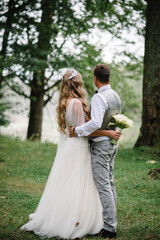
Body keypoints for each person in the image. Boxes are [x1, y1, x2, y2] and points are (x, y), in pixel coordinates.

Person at [20, 68, 121, 239]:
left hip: (74, 146)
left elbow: (80, 128)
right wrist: (108, 133)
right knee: (79, 184)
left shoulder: (67, 101)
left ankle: (76, 217)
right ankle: (76, 219)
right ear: (77, 83)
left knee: (72, 184)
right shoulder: (77, 103)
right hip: (79, 147)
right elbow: (85, 130)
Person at [69, 64, 121, 239]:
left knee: (104, 186)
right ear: (109, 78)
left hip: (101, 145)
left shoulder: (99, 98)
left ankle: (109, 228)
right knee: (109, 183)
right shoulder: (115, 96)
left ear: (95, 78)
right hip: (112, 144)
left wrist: (77, 130)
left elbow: (96, 123)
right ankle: (111, 223)